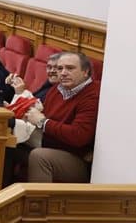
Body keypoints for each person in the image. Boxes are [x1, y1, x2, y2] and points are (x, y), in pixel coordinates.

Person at [24, 52, 100, 183]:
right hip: (52, 143)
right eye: (60, 68)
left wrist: (43, 122)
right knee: (9, 142)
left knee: (39, 156)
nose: (63, 73)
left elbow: (79, 135)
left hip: (78, 158)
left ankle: (36, 197)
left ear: (85, 72)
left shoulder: (92, 95)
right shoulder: (56, 89)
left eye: (70, 68)